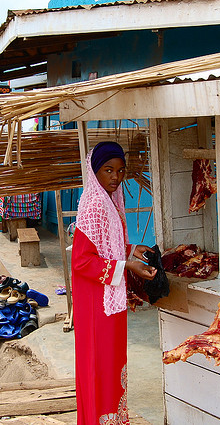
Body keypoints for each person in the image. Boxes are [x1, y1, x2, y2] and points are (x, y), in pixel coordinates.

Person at [71, 142, 157, 424]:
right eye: (108, 170)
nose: (115, 177)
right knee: (99, 363)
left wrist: (132, 250)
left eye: (120, 171)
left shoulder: (111, 202)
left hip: (110, 298)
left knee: (111, 364)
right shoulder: (94, 204)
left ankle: (112, 418)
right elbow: (82, 261)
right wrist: (125, 267)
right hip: (97, 302)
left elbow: (107, 245)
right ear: (95, 172)